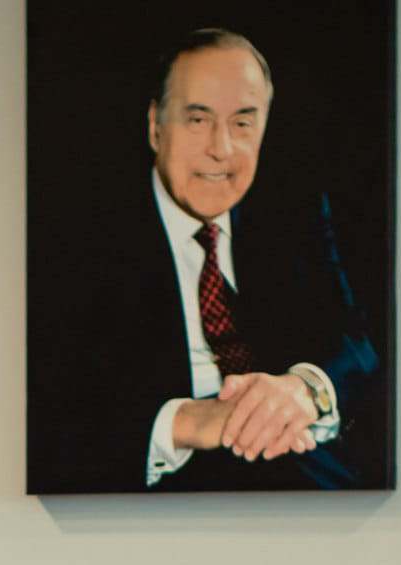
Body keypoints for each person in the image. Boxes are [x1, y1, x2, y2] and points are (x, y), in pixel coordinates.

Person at [26, 29, 381, 495]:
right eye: (197, 120)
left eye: (243, 124)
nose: (222, 149)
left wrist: (305, 388)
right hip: (147, 493)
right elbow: (52, 410)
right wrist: (189, 421)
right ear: (155, 127)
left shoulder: (292, 210)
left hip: (300, 476)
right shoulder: (74, 232)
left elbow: (356, 342)